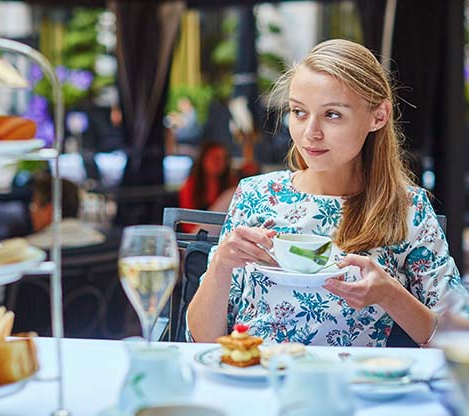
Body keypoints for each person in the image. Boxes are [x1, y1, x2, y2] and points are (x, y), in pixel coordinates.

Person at [186, 39, 469, 347]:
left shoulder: (407, 208)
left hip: (353, 389)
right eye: (298, 112)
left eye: (332, 114)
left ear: (378, 116)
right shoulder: (256, 194)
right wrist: (221, 265)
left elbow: (458, 337)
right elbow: (202, 339)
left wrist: (389, 294)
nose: (310, 132)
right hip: (258, 380)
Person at [27, 171, 104, 249]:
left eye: (34, 206)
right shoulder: (100, 240)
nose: (31, 212)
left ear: (49, 210)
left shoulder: (28, 250)